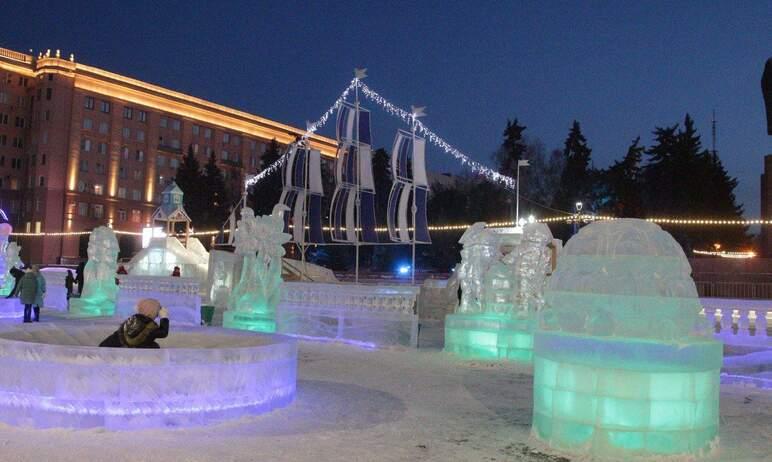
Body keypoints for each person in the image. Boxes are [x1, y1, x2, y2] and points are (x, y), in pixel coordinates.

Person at [99, 298, 169, 348]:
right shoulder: (148, 325)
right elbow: (163, 333)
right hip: (116, 351)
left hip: (107, 346)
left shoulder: (133, 320)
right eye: (158, 311)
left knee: (153, 345)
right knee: (155, 347)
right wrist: (164, 317)